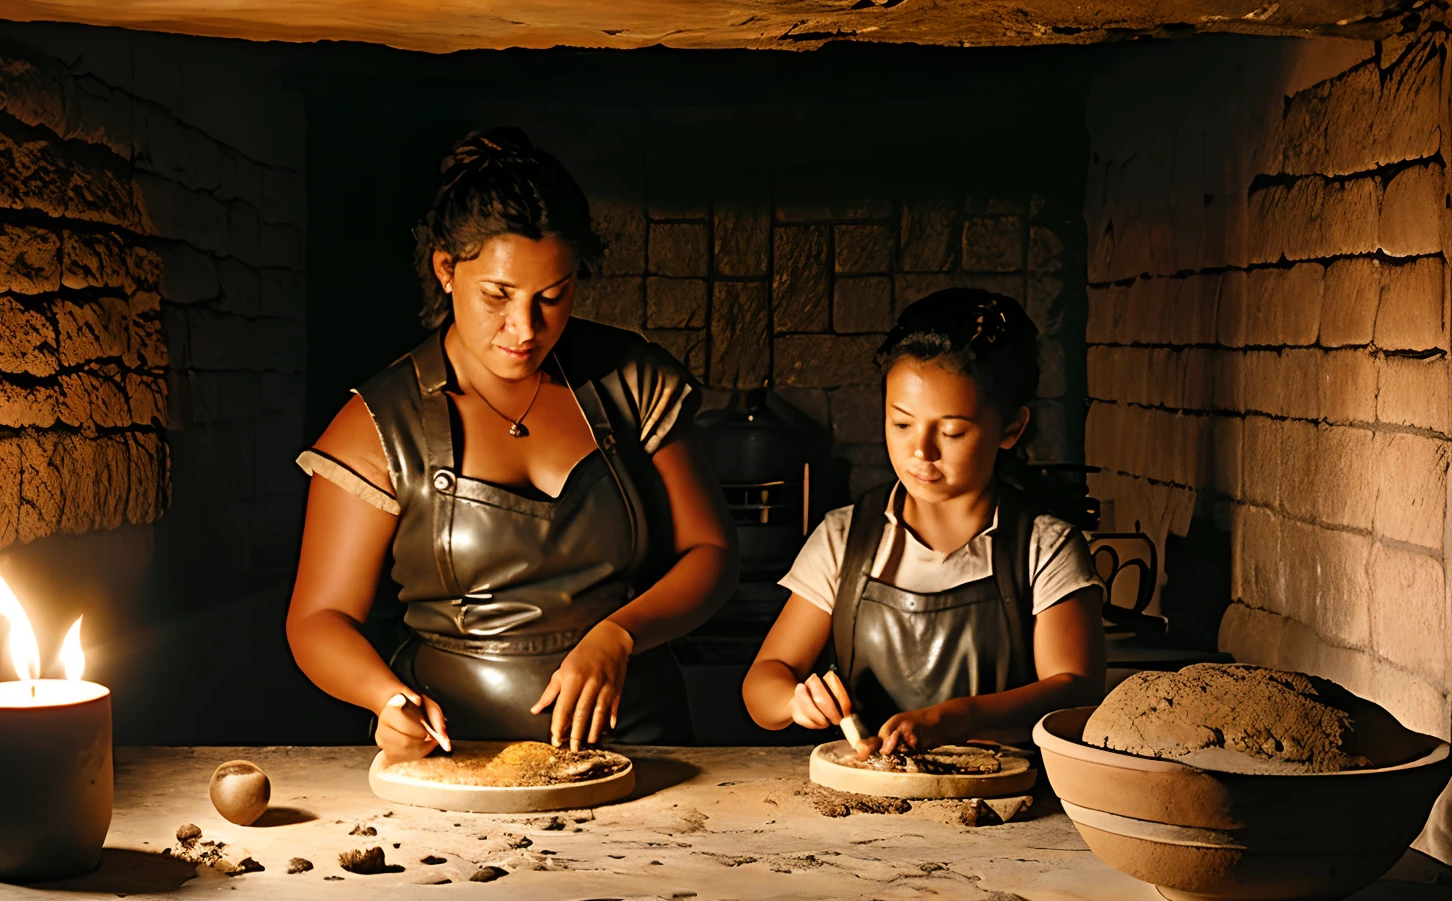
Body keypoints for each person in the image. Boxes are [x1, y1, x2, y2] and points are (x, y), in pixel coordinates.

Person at [287, 127, 738, 759]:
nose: (525, 329)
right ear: (446, 269)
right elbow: (318, 619)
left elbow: (711, 551)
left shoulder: (632, 380)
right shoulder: (379, 422)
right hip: (456, 752)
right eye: (496, 296)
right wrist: (384, 697)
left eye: (553, 297)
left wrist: (619, 635)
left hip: (640, 744)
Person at [741, 288, 1104, 756]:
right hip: (868, 807)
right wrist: (794, 700)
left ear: (1011, 429)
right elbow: (764, 680)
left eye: (951, 431)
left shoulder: (1044, 546)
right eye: (901, 424)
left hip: (1005, 808)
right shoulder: (844, 538)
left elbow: (1076, 691)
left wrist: (955, 719)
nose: (921, 452)